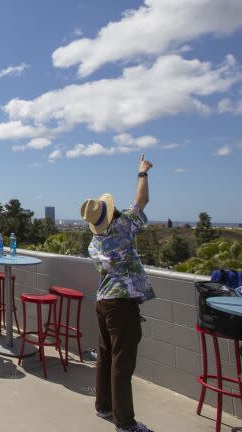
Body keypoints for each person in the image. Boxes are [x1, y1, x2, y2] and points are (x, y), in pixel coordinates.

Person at [83, 154, 156, 432]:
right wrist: (142, 173)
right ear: (111, 213)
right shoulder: (122, 229)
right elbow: (141, 203)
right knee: (122, 363)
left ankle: (104, 406)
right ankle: (125, 423)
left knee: (105, 355)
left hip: (103, 301)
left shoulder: (94, 242)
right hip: (121, 304)